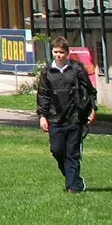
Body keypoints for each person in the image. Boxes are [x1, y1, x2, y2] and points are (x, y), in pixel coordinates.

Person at [37, 37, 97, 194]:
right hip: (54, 118)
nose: (58, 55)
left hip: (74, 118)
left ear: (67, 53)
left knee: (72, 153)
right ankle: (72, 178)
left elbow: (90, 92)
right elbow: (43, 95)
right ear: (52, 52)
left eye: (61, 52)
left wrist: (92, 110)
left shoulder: (76, 70)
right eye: (55, 52)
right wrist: (42, 116)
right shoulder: (47, 71)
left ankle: (74, 186)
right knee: (57, 150)